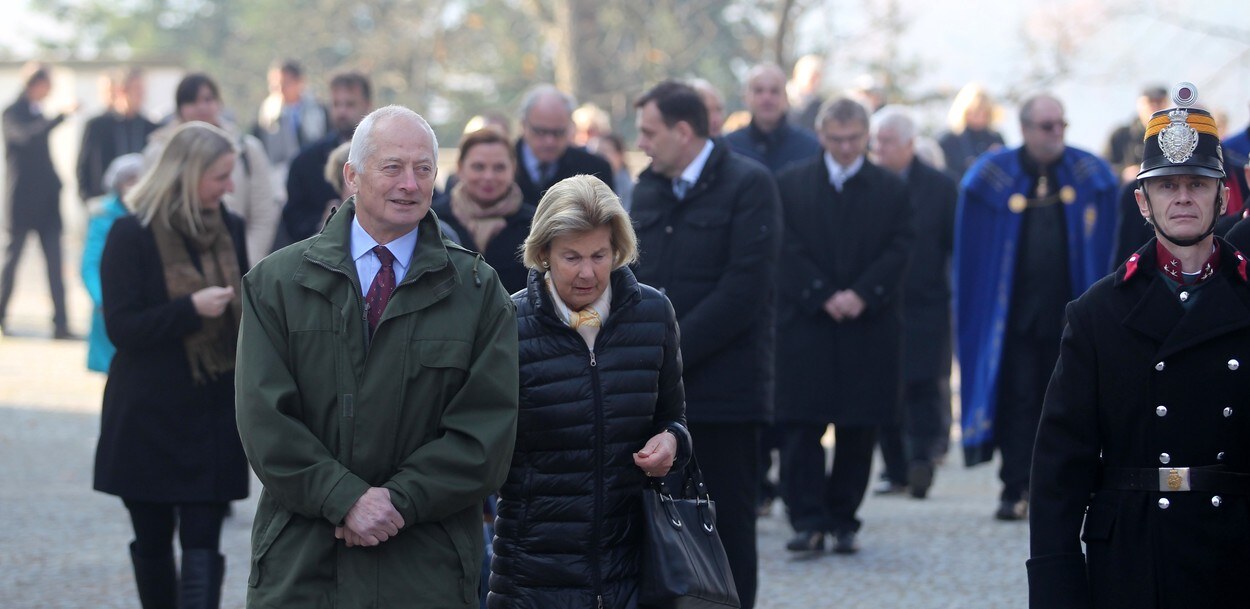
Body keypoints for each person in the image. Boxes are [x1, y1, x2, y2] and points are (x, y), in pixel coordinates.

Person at [235, 105, 519, 608]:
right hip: (304, 566)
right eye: (392, 167)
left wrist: (396, 501)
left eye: (423, 169)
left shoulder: (477, 290)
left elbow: (486, 432)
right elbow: (265, 422)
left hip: (424, 567)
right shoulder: (276, 284)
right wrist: (342, 498)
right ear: (352, 175)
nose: (409, 184)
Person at [1029, 83, 1250, 609]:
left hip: (1238, 554)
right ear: (1142, 201)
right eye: (1167, 185)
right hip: (1135, 557)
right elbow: (1061, 467)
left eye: (1197, 184)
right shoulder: (1097, 314)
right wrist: (1058, 586)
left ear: (1223, 197)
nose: (1182, 198)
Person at [488, 174, 692, 609]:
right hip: (533, 574)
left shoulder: (654, 314)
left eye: (599, 256)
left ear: (617, 251)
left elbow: (674, 418)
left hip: (634, 569)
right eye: (571, 257)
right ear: (544, 253)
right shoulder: (506, 324)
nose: (587, 272)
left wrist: (672, 442)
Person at [631, 80, 780, 609]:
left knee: (727, 530)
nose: (641, 143)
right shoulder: (646, 189)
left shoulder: (749, 184)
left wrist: (666, 352)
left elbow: (743, 292)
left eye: (649, 132)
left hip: (725, 395)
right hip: (657, 399)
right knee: (658, 534)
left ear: (682, 131)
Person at [92, 122, 251, 609]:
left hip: (211, 410)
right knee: (153, 540)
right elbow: (121, 327)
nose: (229, 187)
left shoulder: (229, 226)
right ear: (187, 173)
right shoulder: (130, 233)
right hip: (148, 415)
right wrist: (189, 310)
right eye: (220, 176)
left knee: (204, 539)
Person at [954, 93, 1118, 520]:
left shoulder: (1090, 174)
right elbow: (973, 257)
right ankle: (1015, 486)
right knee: (1019, 400)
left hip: (1070, 317)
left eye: (1062, 124)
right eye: (1047, 126)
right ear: (1025, 128)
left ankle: (1060, 488)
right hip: (1013, 318)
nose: (1056, 133)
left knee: (1067, 404)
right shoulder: (991, 177)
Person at [774, 97, 913, 554]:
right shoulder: (791, 184)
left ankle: (843, 517)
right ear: (821, 136)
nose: (847, 148)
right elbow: (784, 247)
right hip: (807, 323)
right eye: (837, 139)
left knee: (859, 427)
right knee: (801, 426)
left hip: (868, 324)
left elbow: (900, 248)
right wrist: (820, 293)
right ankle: (807, 519)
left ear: (867, 136)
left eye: (855, 139)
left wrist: (862, 294)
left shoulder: (890, 188)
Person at [869, 106, 958, 499]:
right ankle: (895, 468)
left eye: (887, 141)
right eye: (876, 141)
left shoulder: (940, 187)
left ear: (909, 144)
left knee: (923, 386)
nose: (879, 149)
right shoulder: (869, 183)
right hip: (878, 302)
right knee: (885, 387)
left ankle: (921, 460)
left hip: (926, 301)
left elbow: (954, 245)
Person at [145, 73, 277, 266]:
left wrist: (245, 262)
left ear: (219, 103)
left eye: (208, 99)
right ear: (179, 108)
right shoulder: (159, 151)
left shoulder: (246, 149)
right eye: (192, 101)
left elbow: (263, 214)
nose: (201, 107)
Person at [0, 62, 75, 338]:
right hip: (21, 203)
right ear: (36, 83)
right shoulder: (12, 113)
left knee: (56, 265)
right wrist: (58, 118)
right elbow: (26, 137)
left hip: (47, 205)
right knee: (12, 263)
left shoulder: (38, 112)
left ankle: (61, 324)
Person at [432, 128, 536, 293]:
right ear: (460, 168)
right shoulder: (434, 221)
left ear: (513, 168)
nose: (488, 176)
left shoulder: (533, 225)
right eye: (478, 167)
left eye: (499, 168)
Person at [280, 71, 373, 245]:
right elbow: (293, 220)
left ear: (367, 105)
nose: (342, 112)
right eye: (336, 104)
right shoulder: (305, 162)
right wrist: (322, 222)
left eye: (350, 104)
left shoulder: (388, 157)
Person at [81, 152, 145, 373]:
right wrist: (102, 298)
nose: (135, 186)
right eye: (129, 180)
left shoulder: (151, 213)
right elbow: (90, 262)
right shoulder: (103, 214)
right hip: (109, 306)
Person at [514, 84, 614, 203]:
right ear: (523, 125)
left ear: (571, 127)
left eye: (558, 132)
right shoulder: (498, 165)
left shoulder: (594, 170)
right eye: (540, 132)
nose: (549, 141)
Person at [252, 59, 329, 203]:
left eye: (285, 83)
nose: (280, 89)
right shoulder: (266, 116)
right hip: (279, 182)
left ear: (299, 82)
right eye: (275, 84)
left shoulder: (317, 110)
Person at [76, 67, 156, 205]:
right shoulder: (97, 125)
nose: (141, 95)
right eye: (137, 89)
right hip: (105, 205)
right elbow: (83, 166)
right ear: (122, 90)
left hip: (142, 203)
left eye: (143, 90)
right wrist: (87, 200)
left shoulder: (151, 128)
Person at [724, 63, 821, 174]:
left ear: (785, 97)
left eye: (774, 91)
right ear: (746, 98)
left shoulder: (810, 148)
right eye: (759, 91)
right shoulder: (730, 147)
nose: (767, 98)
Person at [938, 82, 1006, 183]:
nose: (980, 117)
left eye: (984, 113)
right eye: (975, 112)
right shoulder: (949, 140)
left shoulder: (995, 138)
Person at [1103, 85, 1169, 184]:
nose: (1155, 107)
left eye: (1159, 102)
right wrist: (1123, 173)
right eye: (1150, 102)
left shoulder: (1173, 136)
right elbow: (1102, 168)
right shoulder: (1121, 135)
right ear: (1139, 104)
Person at [787, 54, 824, 133]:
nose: (816, 81)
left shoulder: (819, 106)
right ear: (797, 74)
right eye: (812, 77)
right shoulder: (781, 99)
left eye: (818, 77)